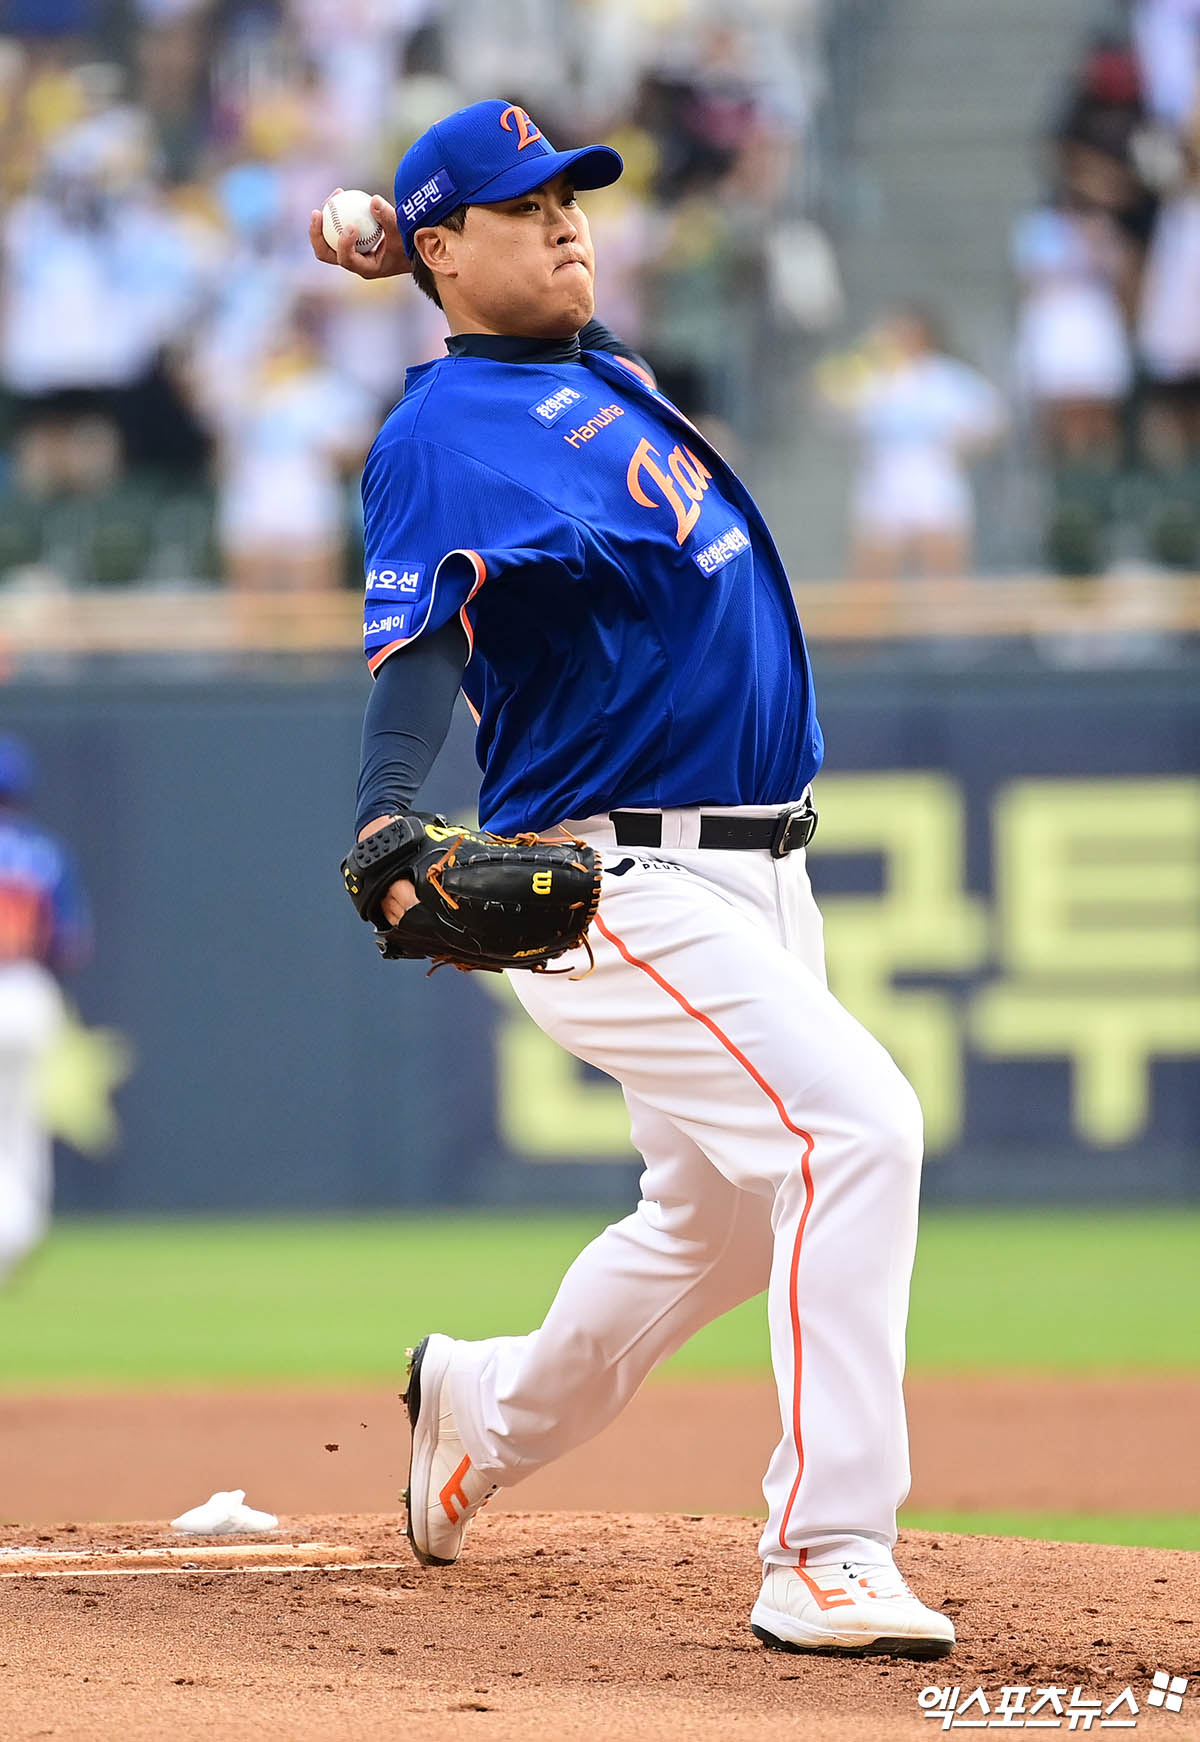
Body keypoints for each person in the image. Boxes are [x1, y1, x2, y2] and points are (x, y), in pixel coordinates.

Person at [310, 99, 955, 1660]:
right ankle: (825, 1548)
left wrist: (415, 249)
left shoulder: (594, 374)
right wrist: (388, 813)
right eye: (526, 204)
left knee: (715, 1226)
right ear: (453, 246)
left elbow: (524, 317)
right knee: (860, 1129)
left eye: (573, 197)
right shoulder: (441, 436)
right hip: (618, 875)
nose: (568, 220)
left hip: (763, 872)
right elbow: (423, 638)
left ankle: (478, 1410)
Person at [816, 307, 1005, 583]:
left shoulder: (946, 378)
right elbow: (833, 412)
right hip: (884, 473)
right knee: (872, 571)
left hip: (932, 472)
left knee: (943, 568)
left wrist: (965, 445)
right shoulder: (872, 376)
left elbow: (992, 420)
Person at [0, 736, 91, 1286]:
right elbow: (71, 941)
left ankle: (12, 1231)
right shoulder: (44, 851)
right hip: (31, 992)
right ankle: (22, 1227)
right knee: (22, 1122)